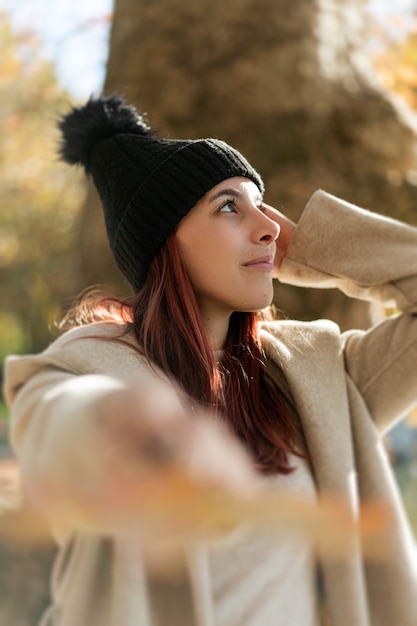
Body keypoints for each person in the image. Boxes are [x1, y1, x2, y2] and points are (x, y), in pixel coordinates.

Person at [3, 94, 417, 626]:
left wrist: (315, 248)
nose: (267, 226)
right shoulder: (86, 365)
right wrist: (134, 426)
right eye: (228, 206)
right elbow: (54, 420)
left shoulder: (317, 374)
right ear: (165, 245)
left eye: (262, 206)